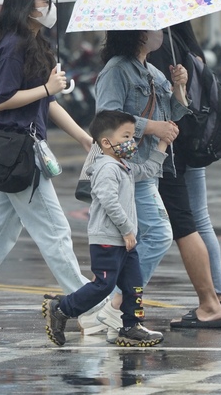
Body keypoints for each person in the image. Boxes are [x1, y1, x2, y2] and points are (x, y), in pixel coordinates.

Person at [0, 0, 104, 337]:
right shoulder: (14, 45)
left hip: (22, 152)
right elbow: (2, 101)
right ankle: (89, 308)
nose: (48, 7)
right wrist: (46, 87)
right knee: (55, 232)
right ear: (27, 6)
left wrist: (83, 137)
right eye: (44, 1)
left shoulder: (32, 43)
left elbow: (48, 104)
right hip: (20, 154)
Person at [93, 30, 221, 336]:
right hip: (126, 169)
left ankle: (105, 307)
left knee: (133, 242)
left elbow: (174, 114)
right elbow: (106, 118)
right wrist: (151, 127)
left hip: (147, 171)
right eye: (152, 27)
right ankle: (116, 305)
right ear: (138, 35)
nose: (159, 32)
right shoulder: (116, 70)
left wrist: (179, 89)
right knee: (159, 234)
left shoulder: (152, 71)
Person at [44, 110, 171, 347]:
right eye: (126, 137)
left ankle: (130, 327)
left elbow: (149, 170)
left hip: (125, 240)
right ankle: (61, 309)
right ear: (105, 142)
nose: (131, 143)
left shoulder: (124, 166)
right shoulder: (106, 168)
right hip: (109, 239)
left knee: (134, 284)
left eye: (133, 137)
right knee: (104, 285)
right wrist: (126, 229)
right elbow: (107, 199)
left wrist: (163, 143)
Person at [148, 22, 221, 326]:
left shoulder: (162, 45)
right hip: (194, 141)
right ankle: (219, 297)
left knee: (185, 223)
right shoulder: (187, 44)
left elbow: (162, 102)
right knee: (200, 218)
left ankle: (214, 300)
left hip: (175, 145)